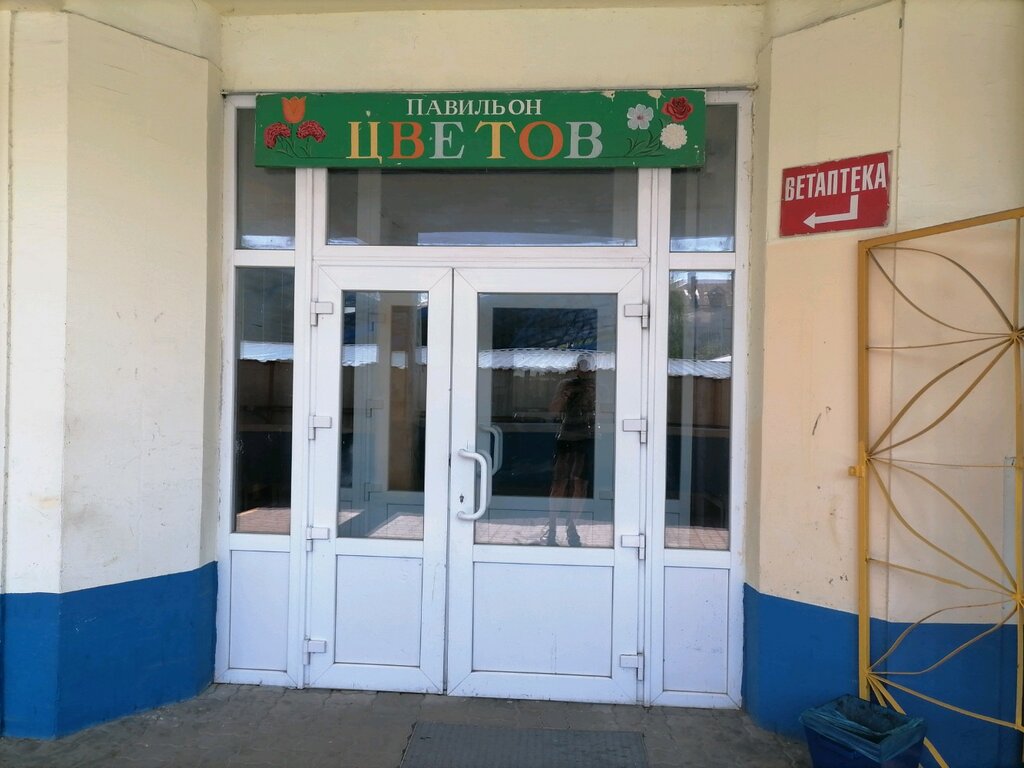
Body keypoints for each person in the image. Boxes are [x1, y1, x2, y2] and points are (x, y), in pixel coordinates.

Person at [545, 353, 596, 546]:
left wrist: (592, 394)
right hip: (566, 436)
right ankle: (552, 526)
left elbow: (605, 411)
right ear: (575, 369)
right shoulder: (565, 385)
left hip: (586, 437)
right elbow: (553, 411)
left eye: (587, 369)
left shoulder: (597, 387)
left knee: (579, 483)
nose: (584, 373)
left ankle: (572, 524)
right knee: (559, 482)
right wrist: (566, 394)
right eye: (581, 368)